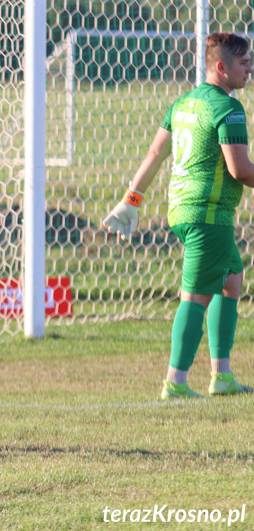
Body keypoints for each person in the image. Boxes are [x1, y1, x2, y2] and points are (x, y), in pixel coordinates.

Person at [103, 32, 254, 400]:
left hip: (183, 211)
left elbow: (156, 152)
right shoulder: (228, 108)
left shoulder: (184, 103)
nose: (250, 69)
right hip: (208, 215)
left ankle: (221, 376)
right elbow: (240, 170)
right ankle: (175, 382)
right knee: (196, 296)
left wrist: (131, 198)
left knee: (231, 280)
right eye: (244, 63)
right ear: (221, 67)